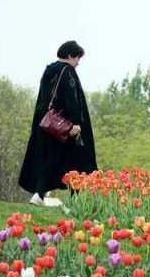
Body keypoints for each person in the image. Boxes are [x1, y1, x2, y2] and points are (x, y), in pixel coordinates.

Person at [19, 40, 97, 206]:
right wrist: (76, 123)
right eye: (77, 58)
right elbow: (72, 99)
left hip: (48, 125)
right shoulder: (67, 71)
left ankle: (38, 195)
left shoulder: (49, 70)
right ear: (69, 55)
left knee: (49, 160)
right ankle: (76, 200)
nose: (77, 63)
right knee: (76, 161)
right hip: (65, 127)